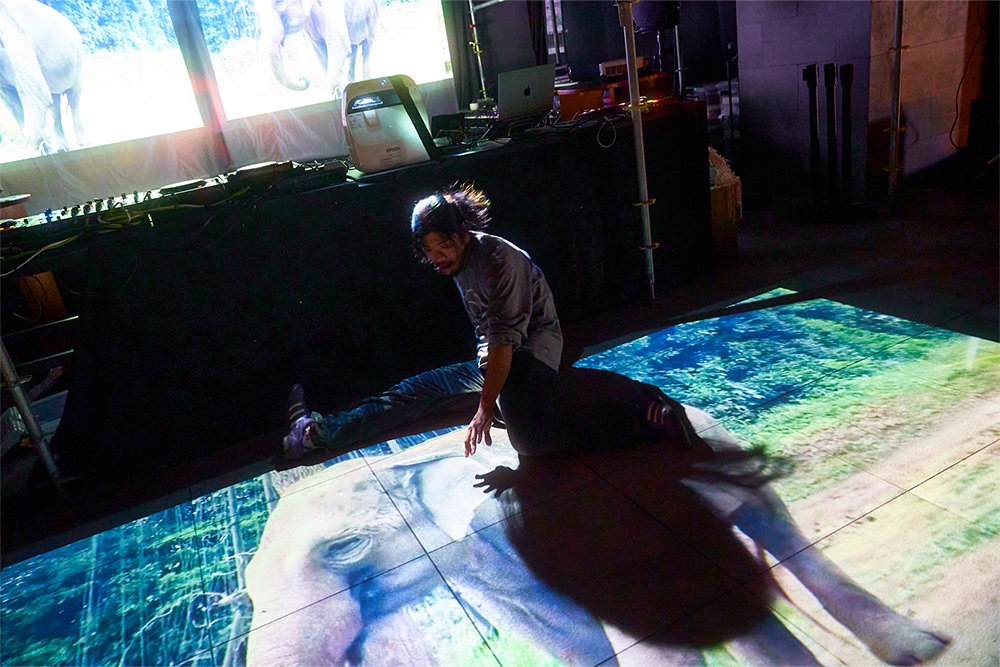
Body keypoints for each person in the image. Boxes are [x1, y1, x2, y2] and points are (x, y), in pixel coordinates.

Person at [281, 183, 690, 467]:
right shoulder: (459, 263)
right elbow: (492, 346)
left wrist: (484, 408)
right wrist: (489, 397)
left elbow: (504, 343)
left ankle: (639, 416)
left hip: (530, 354)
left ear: (463, 233)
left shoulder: (496, 263)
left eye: (444, 245)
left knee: (529, 439)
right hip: (495, 359)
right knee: (413, 392)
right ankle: (315, 431)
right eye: (430, 250)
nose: (439, 257)